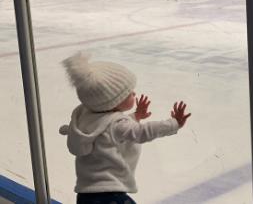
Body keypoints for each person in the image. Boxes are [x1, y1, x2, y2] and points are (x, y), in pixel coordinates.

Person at [59, 52, 191, 204]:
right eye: (128, 94)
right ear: (112, 102)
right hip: (110, 196)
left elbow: (108, 127)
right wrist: (174, 123)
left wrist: (136, 116)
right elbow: (141, 132)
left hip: (85, 195)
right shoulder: (117, 125)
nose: (134, 94)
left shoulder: (84, 116)